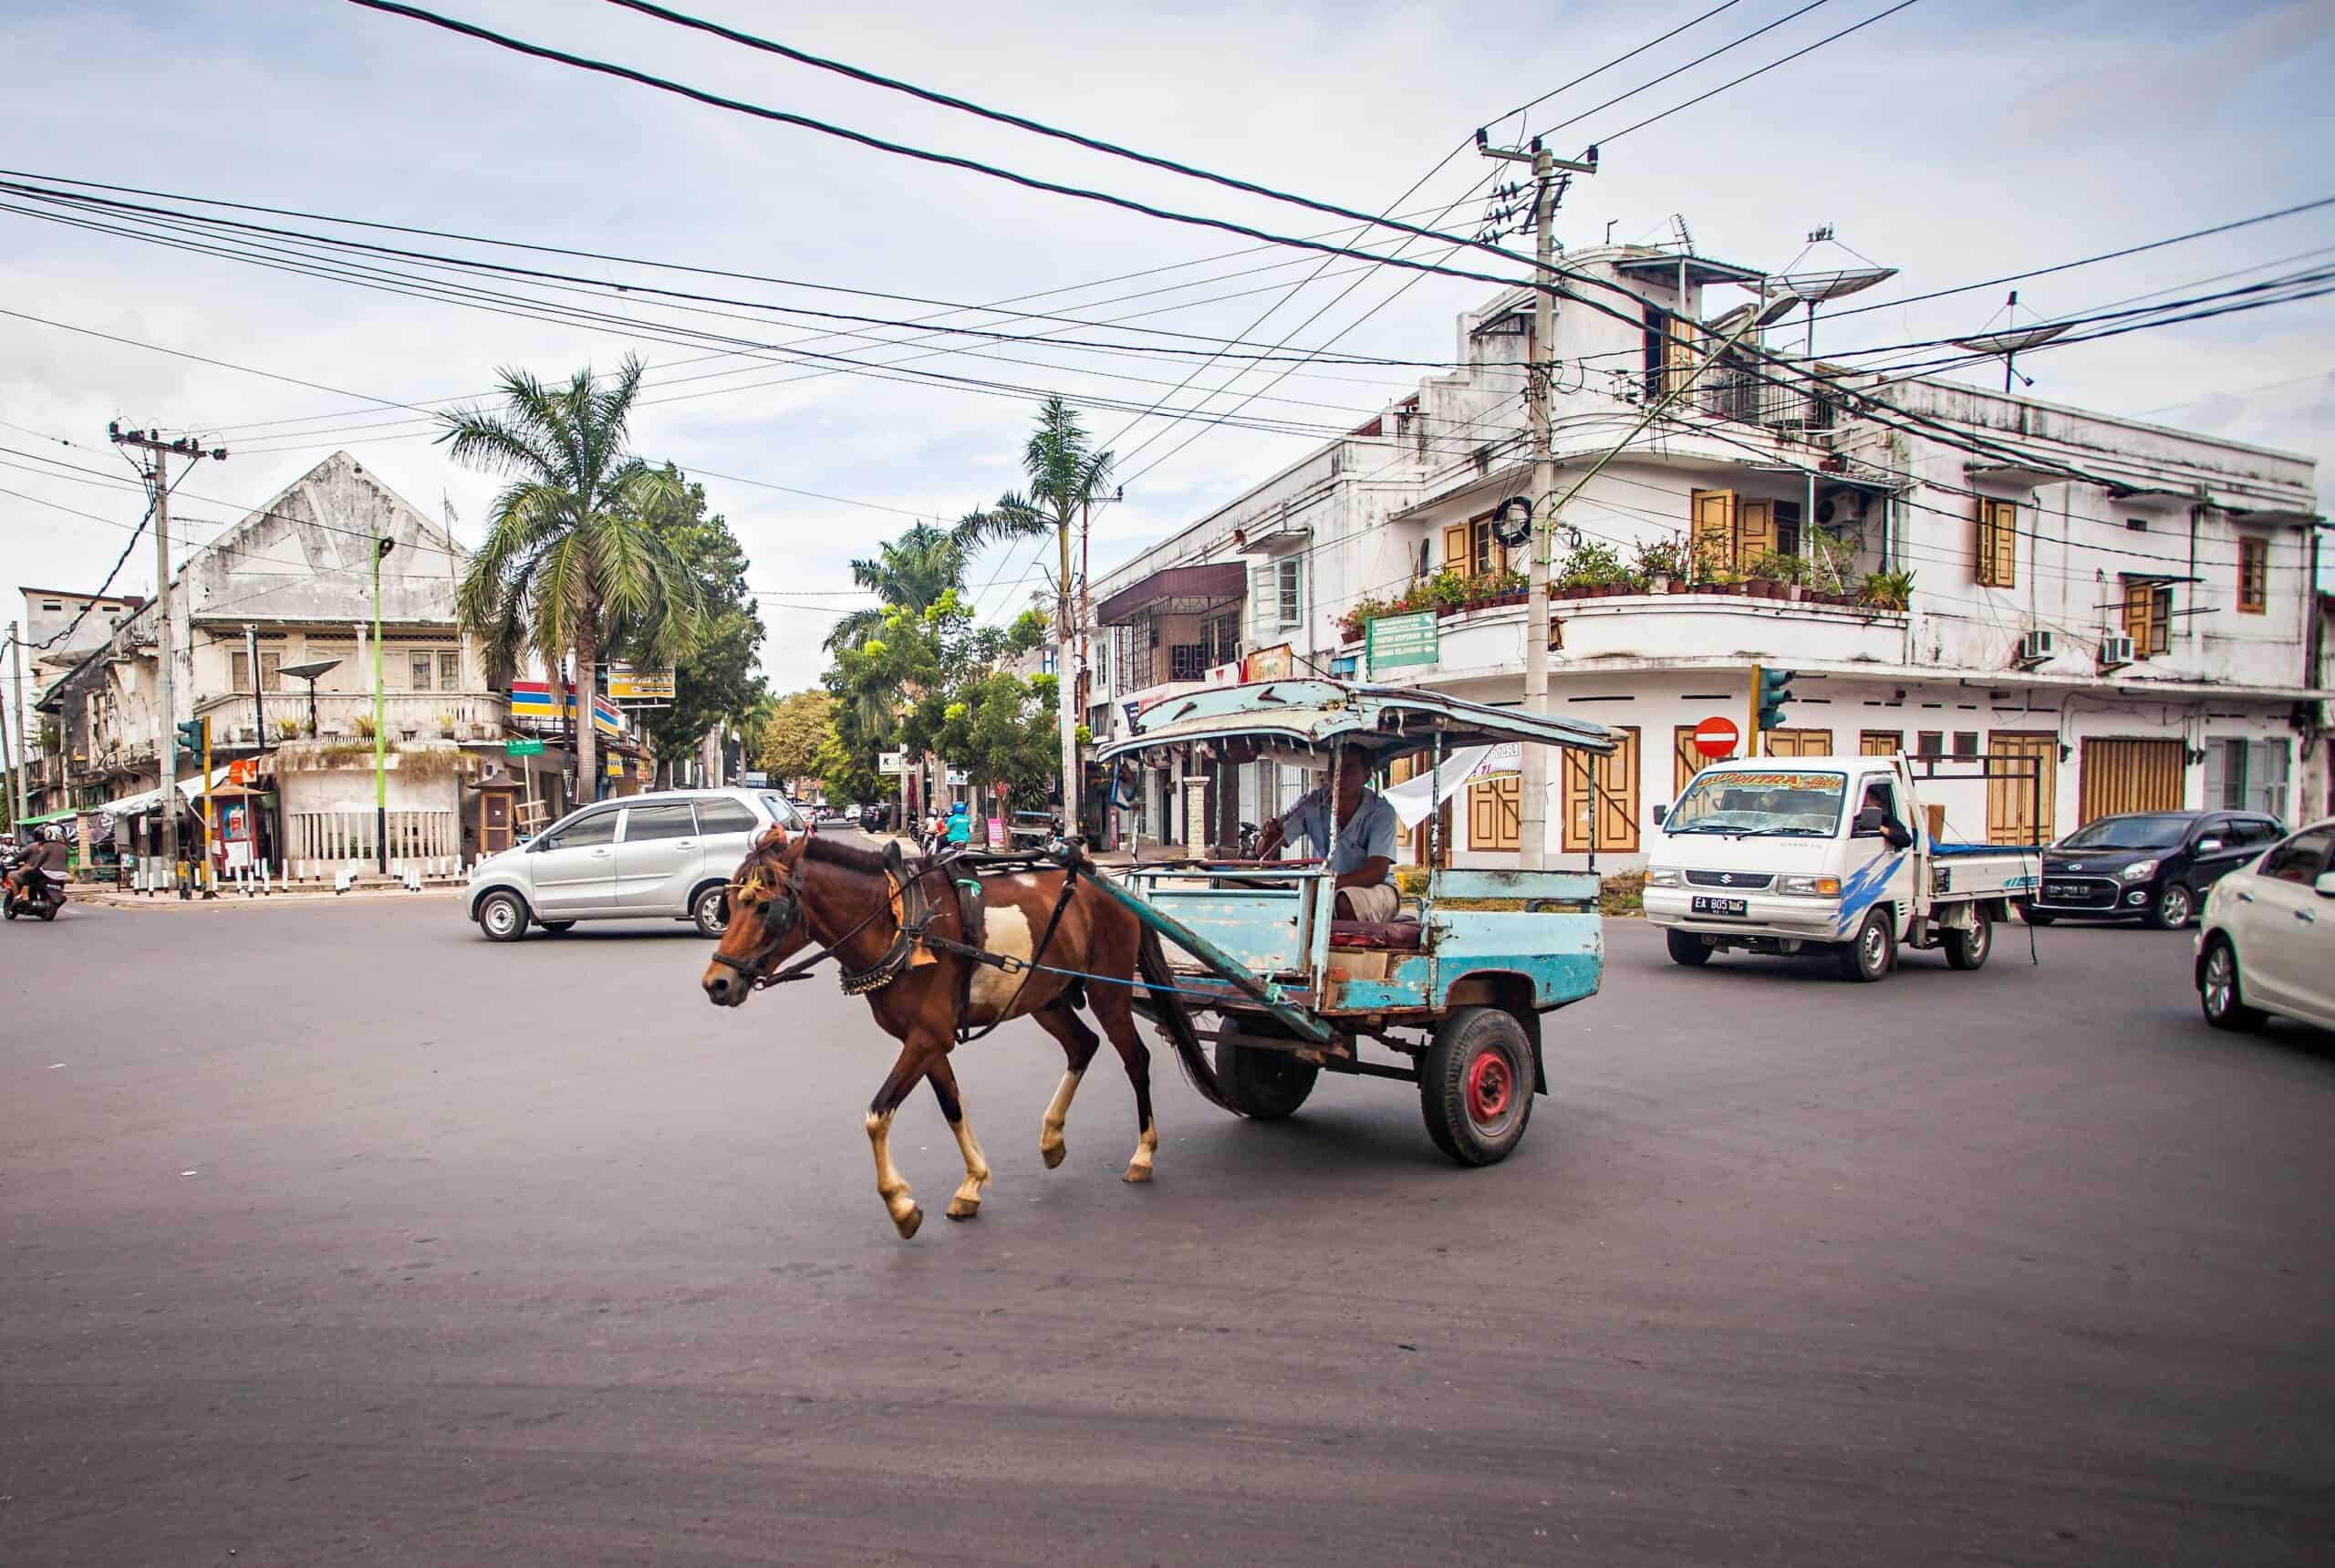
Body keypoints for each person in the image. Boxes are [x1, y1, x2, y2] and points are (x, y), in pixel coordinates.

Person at [1255, 745, 1400, 921]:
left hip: (1375, 888)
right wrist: (1268, 835)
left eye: (1350, 770)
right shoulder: (1311, 802)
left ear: (1366, 776)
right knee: (1259, 894)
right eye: (1335, 769)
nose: (1340, 777)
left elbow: (1376, 872)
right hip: (1322, 884)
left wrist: (1325, 886)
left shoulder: (1381, 812)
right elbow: (1264, 853)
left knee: (1343, 902)